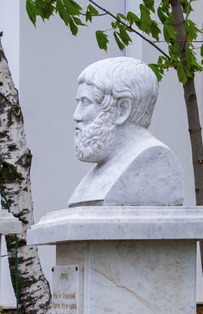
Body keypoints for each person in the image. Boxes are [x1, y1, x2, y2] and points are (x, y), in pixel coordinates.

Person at [67, 57, 184, 207]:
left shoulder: (154, 160)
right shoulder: (102, 172)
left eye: (86, 102)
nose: (76, 115)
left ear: (122, 110)